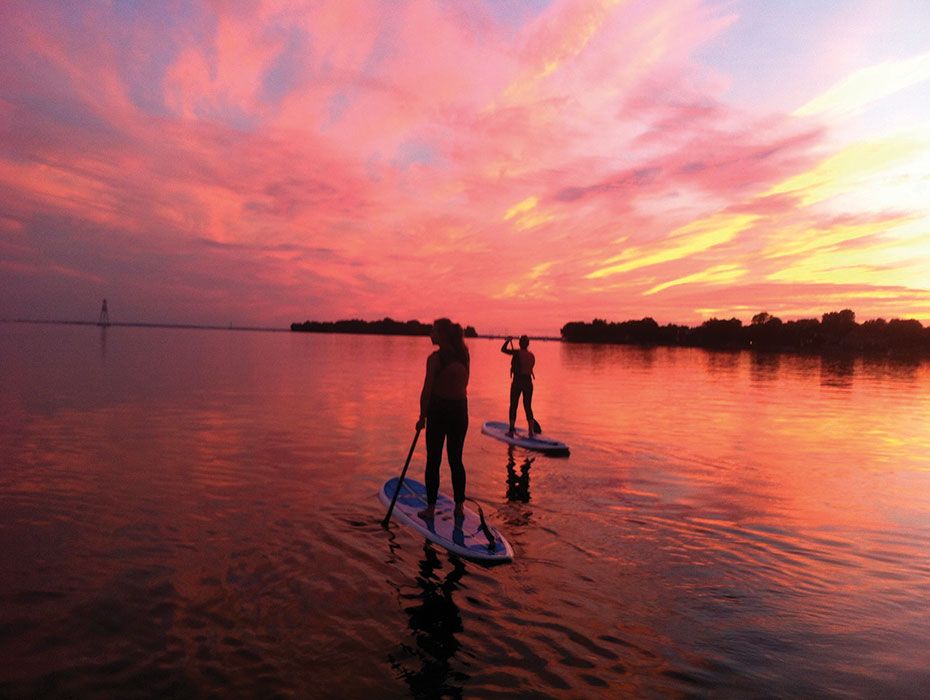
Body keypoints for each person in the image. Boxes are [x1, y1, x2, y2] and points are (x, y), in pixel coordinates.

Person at [416, 318, 469, 520]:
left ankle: (430, 509)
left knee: (433, 460)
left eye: (433, 330)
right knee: (456, 460)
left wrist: (422, 416)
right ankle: (459, 507)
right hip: (460, 410)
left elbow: (427, 390)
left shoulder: (435, 359)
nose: (431, 334)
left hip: (439, 410)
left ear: (442, 335)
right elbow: (464, 383)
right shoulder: (465, 355)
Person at [501, 335, 536, 437]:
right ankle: (531, 431)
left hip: (517, 382)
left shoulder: (516, 353)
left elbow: (503, 349)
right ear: (528, 344)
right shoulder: (531, 355)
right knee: (528, 406)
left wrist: (508, 341)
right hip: (528, 382)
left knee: (513, 405)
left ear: (520, 344)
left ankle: (511, 429)